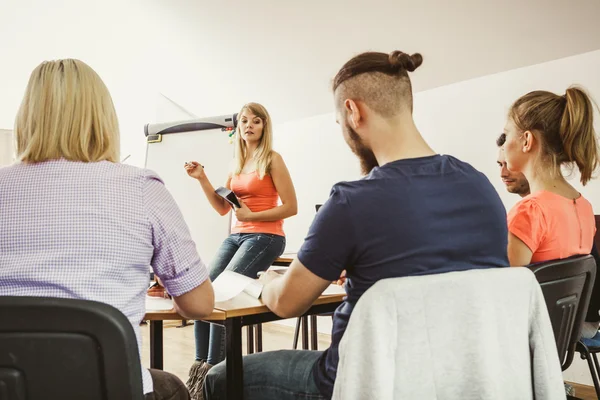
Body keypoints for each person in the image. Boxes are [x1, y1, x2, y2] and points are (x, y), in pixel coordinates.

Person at [204, 50, 509, 400]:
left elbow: (288, 304)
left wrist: (268, 281)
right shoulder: (481, 186)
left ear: (353, 111)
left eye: (339, 124)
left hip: (359, 382)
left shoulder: (351, 201)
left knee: (219, 377)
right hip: (452, 381)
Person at [0, 59, 215, 399]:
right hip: (108, 388)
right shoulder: (140, 187)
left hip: (11, 387)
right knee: (171, 387)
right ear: (102, 118)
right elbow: (200, 305)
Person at [184, 102, 297, 399]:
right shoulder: (238, 163)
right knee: (204, 290)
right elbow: (223, 208)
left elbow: (291, 207)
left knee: (223, 294)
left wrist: (251, 217)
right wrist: (202, 179)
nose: (249, 125)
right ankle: (200, 368)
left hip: (266, 236)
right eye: (244, 121)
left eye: (256, 121)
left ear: (264, 127)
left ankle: (215, 371)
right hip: (237, 236)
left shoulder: (272, 159)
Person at [502, 87, 598, 267]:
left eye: (506, 135)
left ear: (527, 141)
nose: (504, 146)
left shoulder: (529, 212)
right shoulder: (585, 208)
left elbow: (506, 290)